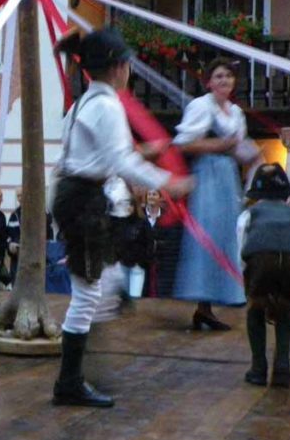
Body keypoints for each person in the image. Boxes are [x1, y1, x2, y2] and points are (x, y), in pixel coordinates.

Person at [50, 29, 193, 408]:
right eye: (127, 63)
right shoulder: (108, 105)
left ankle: (73, 378)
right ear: (118, 67)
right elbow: (121, 161)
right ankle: (69, 382)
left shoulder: (83, 103)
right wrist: (169, 183)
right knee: (87, 292)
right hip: (84, 199)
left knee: (91, 288)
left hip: (76, 195)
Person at [172, 59, 251, 330]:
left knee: (226, 235)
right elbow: (182, 143)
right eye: (218, 76)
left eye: (228, 76)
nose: (224, 81)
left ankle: (212, 304)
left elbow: (239, 148)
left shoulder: (236, 112)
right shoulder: (201, 106)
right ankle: (203, 305)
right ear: (209, 81)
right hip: (206, 174)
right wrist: (219, 144)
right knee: (206, 235)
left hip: (228, 176)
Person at [236, 163, 290, 388]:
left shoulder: (249, 215)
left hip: (260, 258)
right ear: (286, 196)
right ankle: (282, 369)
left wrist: (249, 285)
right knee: (285, 308)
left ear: (255, 197)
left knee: (256, 309)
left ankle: (258, 369)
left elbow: (241, 250)